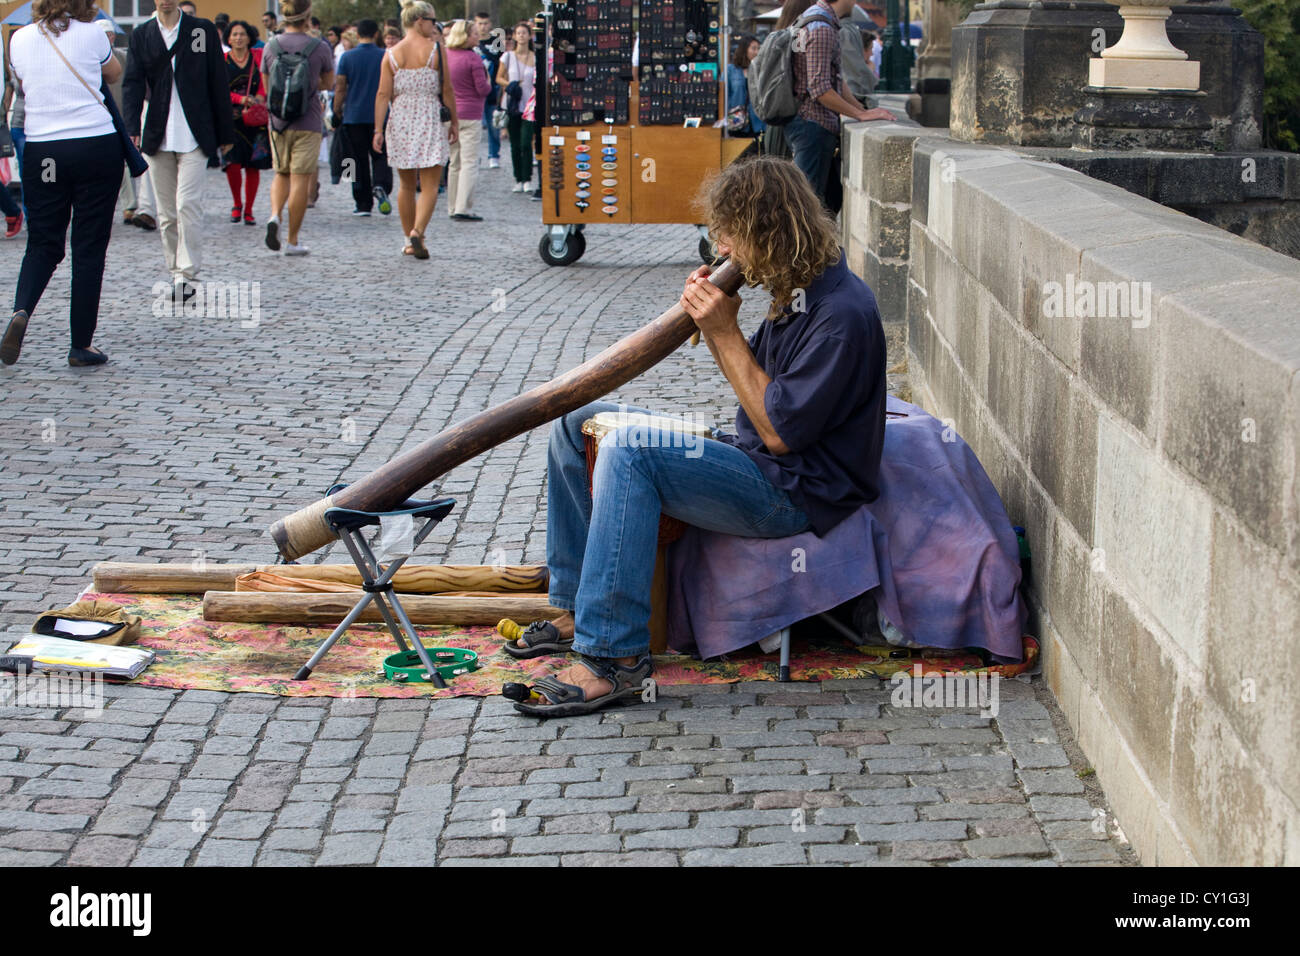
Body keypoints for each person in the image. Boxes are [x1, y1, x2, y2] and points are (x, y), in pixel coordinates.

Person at [502, 156, 886, 716]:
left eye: (730, 235)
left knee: (629, 450)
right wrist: (716, 325)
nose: (722, 249)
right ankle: (575, 609)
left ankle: (613, 658)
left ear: (768, 230)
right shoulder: (797, 287)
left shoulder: (841, 314)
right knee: (576, 420)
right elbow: (755, 380)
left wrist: (723, 330)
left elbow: (779, 432)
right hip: (755, 459)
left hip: (795, 491)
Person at [3, 0, 126, 367]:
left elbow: (24, 82)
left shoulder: (19, 39)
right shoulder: (94, 34)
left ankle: (21, 310)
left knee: (42, 243)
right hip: (94, 147)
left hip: (45, 151)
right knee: (88, 247)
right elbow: (114, 74)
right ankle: (80, 345)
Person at [122, 0, 234, 303]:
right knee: (167, 214)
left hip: (196, 135)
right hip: (157, 134)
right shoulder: (143, 34)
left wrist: (226, 132)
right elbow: (132, 83)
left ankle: (187, 274)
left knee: (187, 205)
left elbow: (217, 80)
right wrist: (131, 126)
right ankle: (174, 271)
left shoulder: (201, 30)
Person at [787, 0, 892, 206]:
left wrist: (860, 109)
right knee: (805, 205)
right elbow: (820, 89)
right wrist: (860, 115)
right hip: (812, 125)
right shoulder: (822, 27)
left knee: (817, 200)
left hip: (806, 123)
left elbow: (833, 78)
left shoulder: (814, 18)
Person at [373, 0, 456, 259]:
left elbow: (383, 93)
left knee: (406, 185)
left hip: (400, 117)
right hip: (429, 115)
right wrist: (454, 120)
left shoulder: (391, 54)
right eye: (432, 21)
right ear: (419, 20)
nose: (435, 26)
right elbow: (447, 89)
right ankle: (418, 232)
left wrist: (378, 129)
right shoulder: (436, 50)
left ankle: (408, 239)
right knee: (430, 185)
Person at [260, 0, 333, 255]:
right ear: (308, 17)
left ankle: (273, 215)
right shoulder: (319, 47)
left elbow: (267, 86)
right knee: (300, 178)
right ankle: (292, 240)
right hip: (308, 120)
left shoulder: (271, 46)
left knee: (281, 173)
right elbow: (327, 83)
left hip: (278, 121)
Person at [333, 18, 391, 216]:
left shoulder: (347, 57)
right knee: (381, 155)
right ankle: (382, 185)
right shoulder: (385, 56)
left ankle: (362, 202)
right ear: (376, 34)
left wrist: (336, 110)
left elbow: (340, 86)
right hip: (380, 116)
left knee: (355, 160)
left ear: (357, 35)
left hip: (354, 115)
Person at [223, 20, 269, 225]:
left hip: (255, 118)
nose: (238, 38)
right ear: (229, 38)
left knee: (253, 165)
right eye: (234, 34)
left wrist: (259, 97)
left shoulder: (258, 58)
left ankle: (249, 209)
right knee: (233, 162)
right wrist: (239, 99)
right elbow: (218, 89)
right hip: (231, 119)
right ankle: (237, 203)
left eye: (242, 34)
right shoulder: (222, 61)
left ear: (250, 37)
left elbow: (266, 81)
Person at [443, 18, 489, 221]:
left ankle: (452, 206)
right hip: (470, 114)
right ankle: (463, 207)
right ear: (465, 36)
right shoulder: (473, 59)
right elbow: (483, 89)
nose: (477, 36)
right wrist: (488, 81)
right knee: (469, 162)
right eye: (474, 34)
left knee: (454, 162)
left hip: (450, 114)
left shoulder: (445, 56)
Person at [496, 20, 534, 193]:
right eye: (518, 33)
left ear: (529, 35)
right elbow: (498, 77)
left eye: (524, 32)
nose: (521, 36)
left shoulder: (535, 57)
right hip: (512, 105)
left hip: (530, 105)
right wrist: (510, 84)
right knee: (515, 144)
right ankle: (518, 178)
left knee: (526, 142)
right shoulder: (507, 57)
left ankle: (527, 178)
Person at [474, 11, 501, 169]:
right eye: (480, 23)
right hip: (475, 91)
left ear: (490, 24)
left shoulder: (496, 41)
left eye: (485, 23)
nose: (483, 27)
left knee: (493, 125)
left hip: (492, 89)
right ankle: (475, 156)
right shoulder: (471, 41)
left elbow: (501, 62)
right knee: (474, 126)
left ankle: (494, 154)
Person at [726, 34, 764, 137]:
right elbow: (725, 95)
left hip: (758, 122)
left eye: (758, 49)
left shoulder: (760, 70)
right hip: (737, 121)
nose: (757, 52)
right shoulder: (730, 70)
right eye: (753, 48)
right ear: (744, 49)